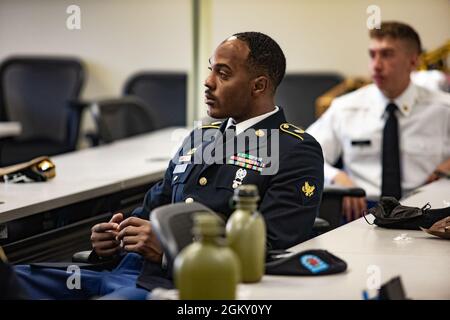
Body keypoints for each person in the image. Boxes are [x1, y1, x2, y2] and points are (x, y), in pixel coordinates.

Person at [15, 32, 324, 299]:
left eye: (223, 73)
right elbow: (151, 208)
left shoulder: (295, 150)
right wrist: (112, 239)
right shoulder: (202, 137)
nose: (207, 82)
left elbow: (268, 250)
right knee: (11, 277)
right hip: (119, 270)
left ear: (258, 86)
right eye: (210, 70)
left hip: (178, 287)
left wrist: (167, 251)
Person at [307, 21, 450, 222]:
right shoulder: (345, 108)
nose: (376, 65)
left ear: (413, 61)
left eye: (387, 54)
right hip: (362, 214)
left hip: (425, 213)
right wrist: (339, 179)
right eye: (372, 55)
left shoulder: (443, 108)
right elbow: (306, 155)